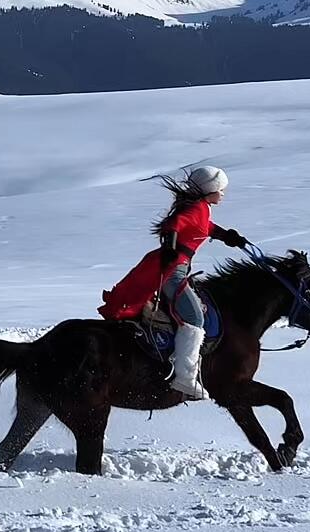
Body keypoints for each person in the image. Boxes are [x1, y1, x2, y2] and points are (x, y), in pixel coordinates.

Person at [97, 166, 250, 399]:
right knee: (195, 317)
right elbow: (174, 225)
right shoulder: (197, 208)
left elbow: (203, 227)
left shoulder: (202, 208)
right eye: (221, 189)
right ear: (210, 189)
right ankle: (185, 378)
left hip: (175, 266)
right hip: (172, 269)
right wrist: (170, 246)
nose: (223, 194)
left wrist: (225, 235)